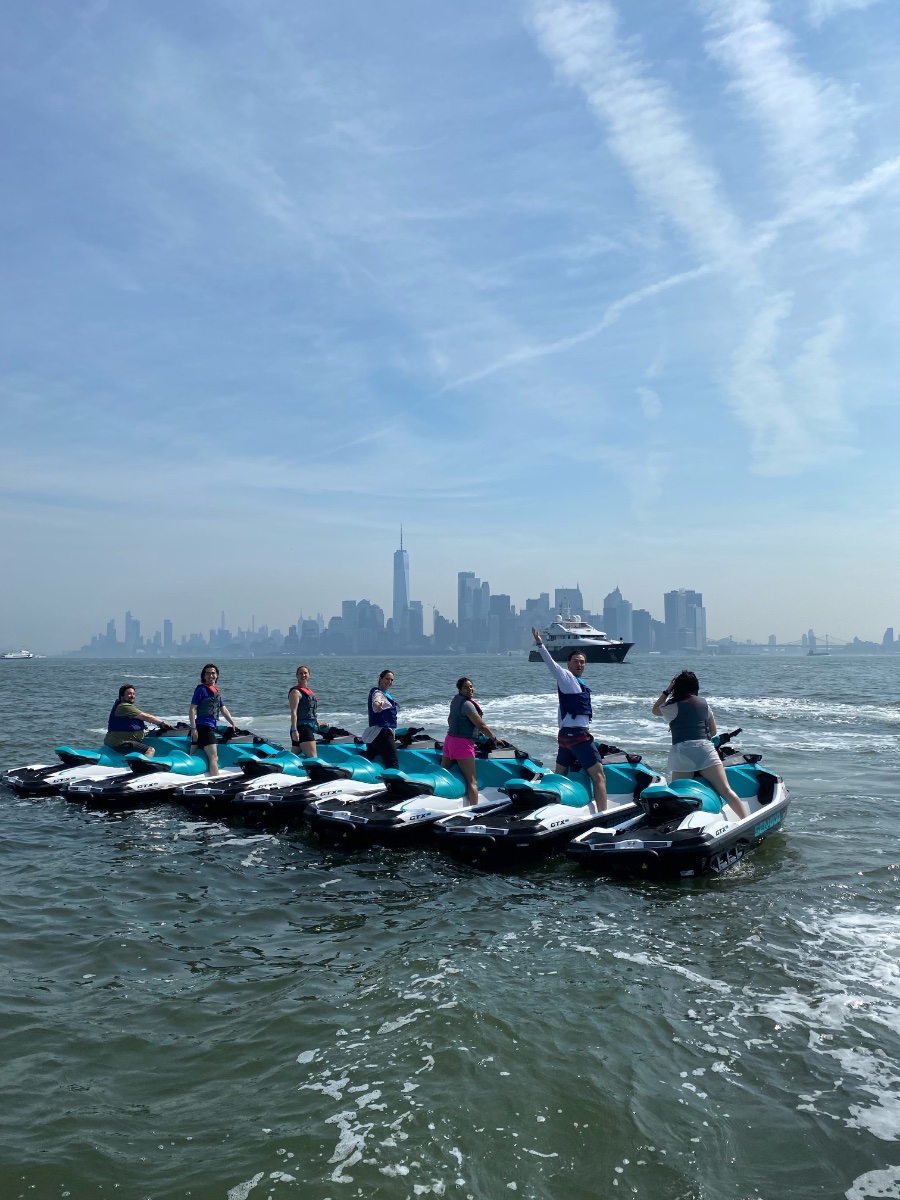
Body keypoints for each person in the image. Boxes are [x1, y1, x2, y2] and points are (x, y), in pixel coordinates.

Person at [651, 670, 749, 820]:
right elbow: (713, 731)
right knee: (726, 790)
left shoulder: (672, 706)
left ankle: (677, 825)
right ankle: (745, 820)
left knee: (678, 795)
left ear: (677, 687)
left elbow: (655, 710)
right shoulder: (703, 704)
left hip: (682, 754)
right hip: (705, 751)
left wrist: (668, 690)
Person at [531, 627, 607, 811]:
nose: (579, 665)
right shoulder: (566, 677)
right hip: (577, 737)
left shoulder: (578, 683)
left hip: (565, 737)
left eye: (582, 662)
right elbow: (551, 664)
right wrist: (540, 644)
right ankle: (603, 816)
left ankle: (553, 809)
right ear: (568, 663)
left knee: (559, 777)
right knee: (599, 777)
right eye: (575, 661)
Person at [440, 677, 495, 807]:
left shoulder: (455, 700)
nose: (470, 689)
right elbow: (481, 726)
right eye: (466, 687)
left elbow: (450, 720)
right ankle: (474, 809)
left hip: (449, 740)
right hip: (462, 744)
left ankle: (440, 800)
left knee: (443, 773)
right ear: (460, 689)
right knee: (472, 781)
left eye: (471, 686)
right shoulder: (467, 705)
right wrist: (494, 739)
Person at [189, 663, 238, 777]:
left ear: (217, 675)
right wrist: (193, 728)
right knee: (214, 757)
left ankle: (191, 777)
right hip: (203, 727)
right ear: (204, 676)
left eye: (213, 673)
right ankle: (215, 781)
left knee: (193, 754)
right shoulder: (201, 690)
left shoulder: (216, 692)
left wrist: (233, 723)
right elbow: (192, 709)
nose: (210, 676)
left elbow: (223, 709)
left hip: (208, 727)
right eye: (207, 673)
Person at [104, 684, 169, 757]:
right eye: (129, 694)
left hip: (118, 741)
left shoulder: (124, 706)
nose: (132, 696)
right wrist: (162, 723)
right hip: (120, 743)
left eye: (133, 694)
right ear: (122, 696)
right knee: (150, 750)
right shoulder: (124, 706)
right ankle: (143, 764)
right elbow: (146, 717)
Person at [363, 669, 400, 770]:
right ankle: (393, 779)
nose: (389, 682)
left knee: (369, 759)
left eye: (392, 680)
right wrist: (377, 706)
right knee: (393, 764)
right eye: (387, 679)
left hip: (374, 737)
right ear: (380, 679)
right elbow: (376, 702)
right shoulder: (377, 693)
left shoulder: (385, 694)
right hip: (382, 735)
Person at [289, 665, 319, 757]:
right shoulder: (295, 692)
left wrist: (318, 723)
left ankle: (278, 764)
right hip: (302, 728)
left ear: (309, 675)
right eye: (300, 673)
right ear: (297, 676)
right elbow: (293, 712)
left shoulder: (309, 692)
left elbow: (311, 711)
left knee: (294, 755)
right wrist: (294, 730)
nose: (303, 675)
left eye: (305, 673)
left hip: (310, 726)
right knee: (313, 757)